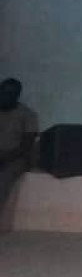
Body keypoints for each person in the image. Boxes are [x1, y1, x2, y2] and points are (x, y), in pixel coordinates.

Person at [1, 78, 38, 215]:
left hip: (15, 158)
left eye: (10, 93)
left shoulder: (28, 115)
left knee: (3, 179)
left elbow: (27, 146)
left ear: (17, 95)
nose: (5, 96)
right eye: (3, 92)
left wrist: (5, 157)